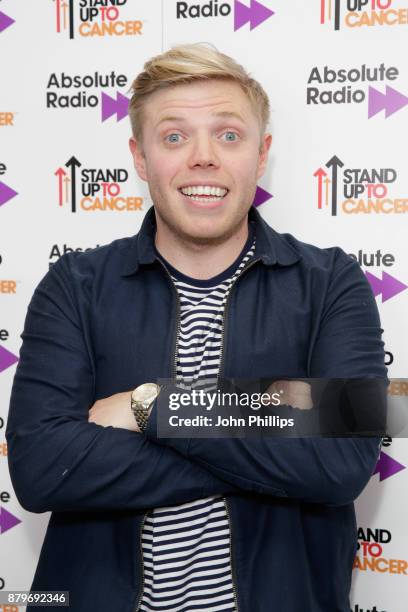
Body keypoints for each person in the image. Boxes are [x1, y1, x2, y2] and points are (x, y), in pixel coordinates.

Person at [6, 43, 386, 612]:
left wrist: (150, 408)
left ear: (262, 156)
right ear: (140, 157)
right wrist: (273, 437)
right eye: (175, 136)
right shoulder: (75, 285)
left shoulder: (332, 282)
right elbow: (40, 471)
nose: (203, 158)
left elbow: (342, 466)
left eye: (228, 135)